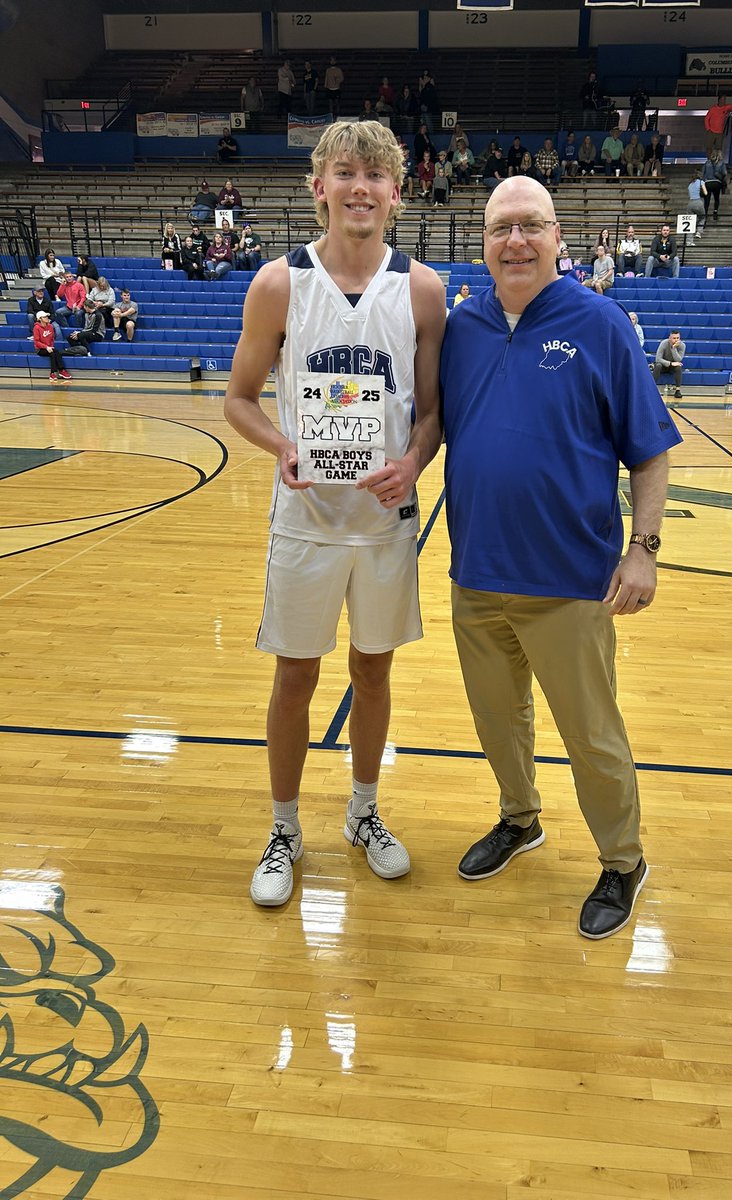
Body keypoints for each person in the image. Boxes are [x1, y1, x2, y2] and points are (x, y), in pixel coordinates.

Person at [439, 174, 682, 940]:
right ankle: (520, 819)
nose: (515, 240)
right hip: (475, 574)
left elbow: (648, 452)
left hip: (570, 581)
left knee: (591, 735)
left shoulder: (601, 322)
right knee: (496, 722)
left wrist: (642, 550)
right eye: (500, 228)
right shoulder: (462, 327)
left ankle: (622, 861)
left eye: (530, 225)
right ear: (482, 243)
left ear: (557, 239)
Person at [222, 119, 445, 905]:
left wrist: (415, 462)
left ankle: (362, 812)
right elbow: (238, 399)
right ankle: (285, 827)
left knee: (373, 673)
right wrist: (282, 447)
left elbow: (431, 412)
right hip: (307, 521)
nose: (361, 187)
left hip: (384, 525)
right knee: (295, 676)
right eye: (345, 172)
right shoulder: (280, 283)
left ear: (395, 191)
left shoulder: (422, 288)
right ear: (319, 187)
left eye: (376, 175)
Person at [32, 312, 71, 381]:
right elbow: (36, 342)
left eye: (47, 316)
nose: (47, 318)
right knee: (52, 353)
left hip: (49, 347)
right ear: (40, 319)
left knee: (57, 352)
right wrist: (46, 347)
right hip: (40, 349)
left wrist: (50, 346)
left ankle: (62, 370)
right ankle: (52, 373)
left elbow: (52, 338)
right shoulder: (36, 328)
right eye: (44, 317)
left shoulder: (50, 326)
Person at [651, 330, 685, 398]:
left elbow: (678, 359)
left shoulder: (682, 345)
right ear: (669, 338)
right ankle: (652, 388)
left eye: (678, 338)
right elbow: (658, 358)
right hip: (663, 365)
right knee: (658, 365)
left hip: (673, 367)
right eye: (674, 338)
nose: (676, 340)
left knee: (678, 367)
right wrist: (670, 363)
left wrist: (673, 348)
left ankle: (678, 390)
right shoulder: (664, 343)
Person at [701, 151, 726, 220]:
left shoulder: (707, 163)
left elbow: (702, 174)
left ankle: (705, 214)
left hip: (707, 183)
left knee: (707, 200)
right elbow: (724, 173)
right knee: (716, 198)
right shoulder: (721, 163)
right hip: (716, 182)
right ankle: (715, 211)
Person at [686, 171, 707, 245]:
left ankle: (689, 241)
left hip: (690, 203)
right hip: (698, 202)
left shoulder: (690, 185)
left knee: (690, 222)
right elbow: (705, 193)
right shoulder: (701, 182)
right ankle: (699, 231)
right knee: (702, 217)